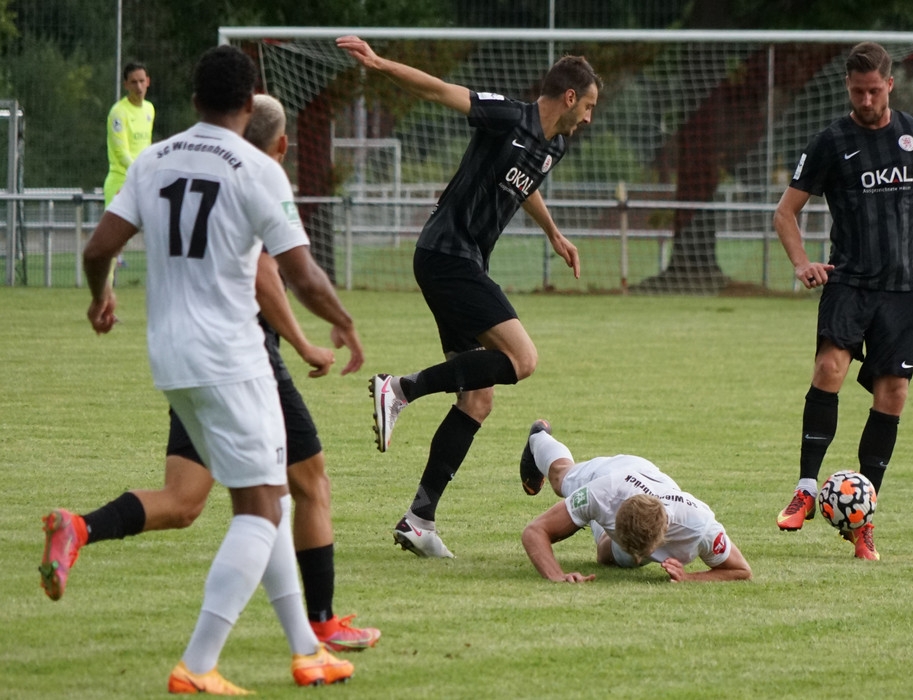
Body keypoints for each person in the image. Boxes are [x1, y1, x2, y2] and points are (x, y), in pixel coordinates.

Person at [63, 45, 363, 694]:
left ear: (195, 99)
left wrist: (100, 296)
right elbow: (302, 274)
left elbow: (97, 248)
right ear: (250, 102)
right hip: (232, 357)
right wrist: (342, 321)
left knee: (268, 497)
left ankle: (305, 651)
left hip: (170, 360)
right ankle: (197, 664)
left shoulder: (154, 159)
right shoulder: (257, 168)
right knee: (261, 510)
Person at [336, 34, 600, 558]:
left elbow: (525, 183)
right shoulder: (508, 117)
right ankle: (401, 389)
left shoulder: (554, 145)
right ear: (569, 97)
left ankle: (419, 520)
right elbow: (439, 91)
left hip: (463, 262)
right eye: (589, 105)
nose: (590, 117)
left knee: (478, 399)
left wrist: (553, 233)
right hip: (446, 255)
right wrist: (380, 63)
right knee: (523, 359)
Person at [772, 42, 913, 560]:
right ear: (848, 87)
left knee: (893, 394)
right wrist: (801, 263)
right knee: (829, 368)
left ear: (889, 84)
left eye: (874, 91)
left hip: (904, 287)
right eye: (857, 92)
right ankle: (805, 488)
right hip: (849, 281)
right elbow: (785, 212)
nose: (865, 101)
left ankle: (862, 519)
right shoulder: (830, 141)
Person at [518, 420, 752, 583]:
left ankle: (609, 542)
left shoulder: (698, 524)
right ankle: (539, 436)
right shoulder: (602, 493)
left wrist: (689, 578)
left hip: (647, 474)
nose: (640, 558)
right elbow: (535, 531)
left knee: (608, 557)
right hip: (614, 472)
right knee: (560, 478)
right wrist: (556, 576)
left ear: (664, 531)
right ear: (615, 515)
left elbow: (741, 569)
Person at [104, 61, 155, 281]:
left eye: (142, 81)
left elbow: (146, 146)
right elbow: (121, 152)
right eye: (133, 82)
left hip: (144, 181)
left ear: (148, 82)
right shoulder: (118, 113)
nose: (139, 86)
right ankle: (104, 292)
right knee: (114, 243)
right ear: (126, 85)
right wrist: (141, 171)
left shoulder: (149, 109)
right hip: (121, 182)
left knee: (158, 232)